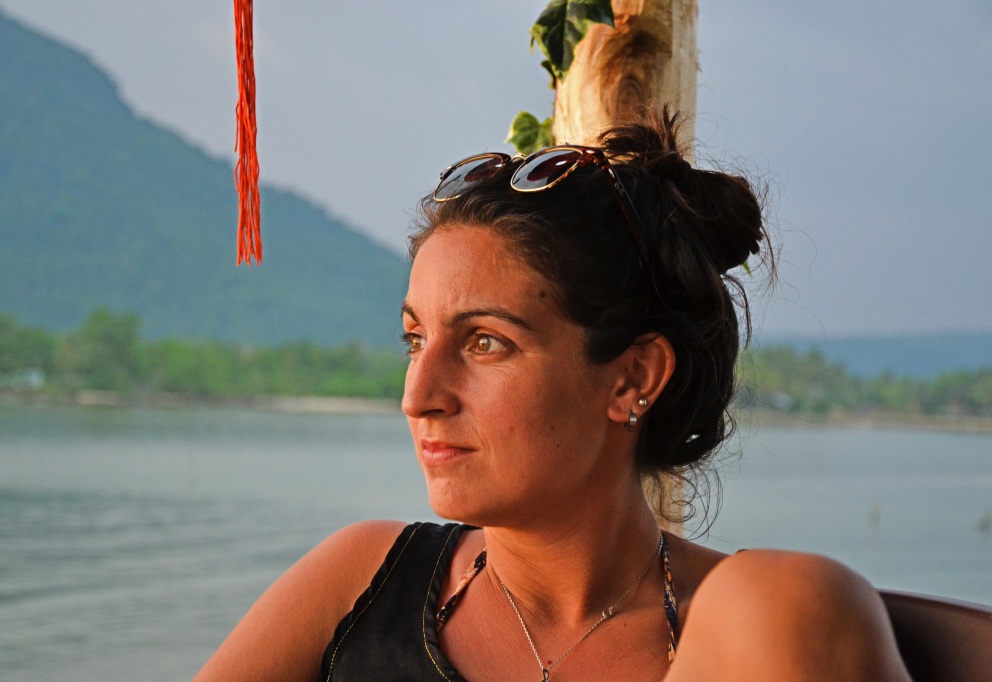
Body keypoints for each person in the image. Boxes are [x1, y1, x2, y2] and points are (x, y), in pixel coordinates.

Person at [195, 109, 909, 681]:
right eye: (415, 340)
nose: (419, 397)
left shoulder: (768, 620)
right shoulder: (362, 581)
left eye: (485, 343)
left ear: (633, 378)